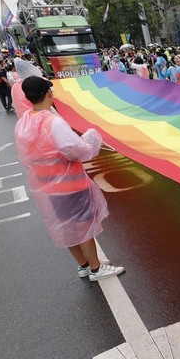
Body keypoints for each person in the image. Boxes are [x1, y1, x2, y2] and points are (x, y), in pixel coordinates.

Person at [14, 76, 124, 282]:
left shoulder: (24, 122)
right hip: (70, 184)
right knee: (82, 227)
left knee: (67, 226)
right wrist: (90, 139)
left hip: (47, 185)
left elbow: (27, 155)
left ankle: (83, 265)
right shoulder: (52, 121)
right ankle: (95, 269)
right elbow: (75, 150)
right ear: (49, 93)